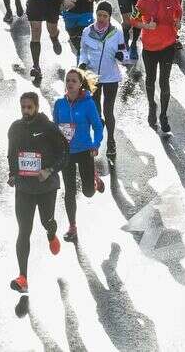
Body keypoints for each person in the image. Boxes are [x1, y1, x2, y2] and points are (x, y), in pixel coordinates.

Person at [6, 90, 64, 295]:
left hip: (46, 187)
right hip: (24, 187)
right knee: (23, 230)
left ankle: (51, 233)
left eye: (29, 107)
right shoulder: (15, 128)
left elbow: (64, 153)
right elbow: (12, 155)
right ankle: (23, 277)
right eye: (23, 107)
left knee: (46, 221)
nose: (26, 111)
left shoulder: (48, 128)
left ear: (37, 107)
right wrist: (12, 174)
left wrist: (49, 171)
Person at [52, 68, 104, 244]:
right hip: (66, 153)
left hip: (84, 151)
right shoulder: (59, 104)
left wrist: (95, 145)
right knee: (70, 191)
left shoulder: (88, 104)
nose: (70, 83)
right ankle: (72, 226)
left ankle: (94, 177)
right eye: (67, 80)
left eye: (74, 80)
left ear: (80, 84)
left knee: (88, 192)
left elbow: (97, 126)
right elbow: (55, 128)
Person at [131, 0, 183, 134]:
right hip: (149, 48)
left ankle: (164, 115)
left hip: (168, 46)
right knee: (150, 80)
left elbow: (178, 12)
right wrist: (146, 26)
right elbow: (133, 20)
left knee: (164, 81)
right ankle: (152, 107)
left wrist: (177, 22)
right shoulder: (143, 0)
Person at [78, 2, 129, 159]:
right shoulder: (87, 31)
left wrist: (122, 57)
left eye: (105, 16)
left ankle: (111, 141)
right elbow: (83, 51)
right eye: (99, 15)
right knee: (96, 112)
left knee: (108, 110)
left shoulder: (117, 32)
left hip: (110, 77)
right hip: (92, 77)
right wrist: (82, 63)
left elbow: (124, 52)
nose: (101, 18)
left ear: (109, 16)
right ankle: (98, 137)